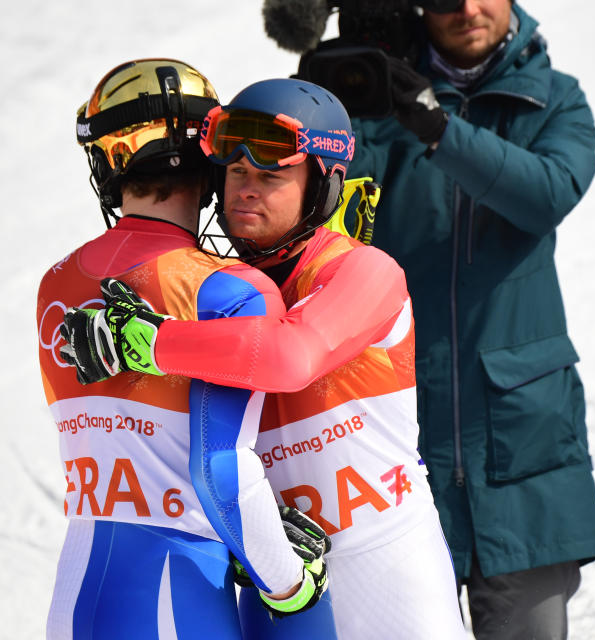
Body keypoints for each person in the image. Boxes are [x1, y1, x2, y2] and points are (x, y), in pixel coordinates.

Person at [61, 77, 467, 640]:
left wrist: (151, 344)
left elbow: (290, 354)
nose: (246, 190)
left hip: (387, 563)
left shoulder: (364, 271)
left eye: (272, 176)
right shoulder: (213, 291)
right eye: (236, 173)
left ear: (324, 185)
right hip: (282, 574)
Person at [330, 1, 595, 638]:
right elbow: (321, 230)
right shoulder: (371, 103)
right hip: (397, 433)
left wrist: (437, 128)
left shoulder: (555, 99)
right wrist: (331, 111)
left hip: (522, 441)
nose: (466, 8)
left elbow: (545, 196)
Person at [38, 59, 332, 640]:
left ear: (106, 164)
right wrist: (290, 585)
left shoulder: (56, 282)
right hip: (178, 594)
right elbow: (220, 470)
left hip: (76, 594)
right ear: (209, 158)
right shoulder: (231, 291)